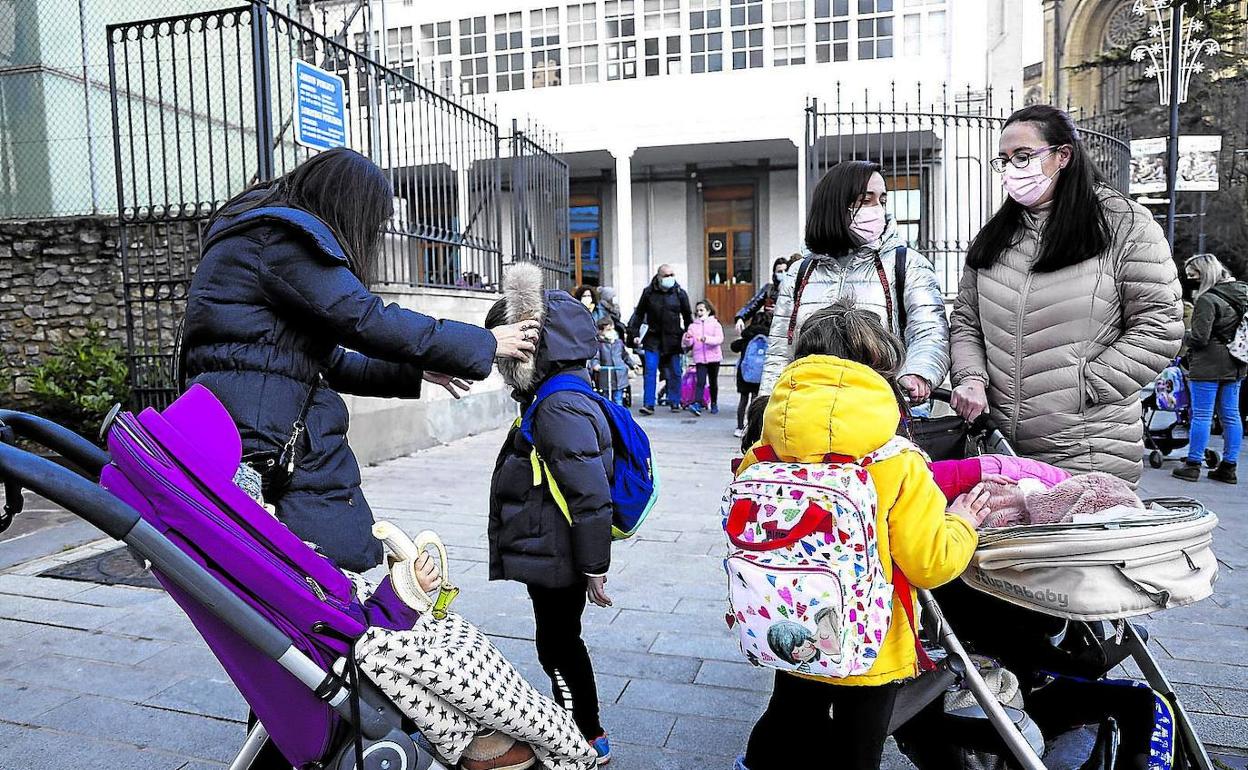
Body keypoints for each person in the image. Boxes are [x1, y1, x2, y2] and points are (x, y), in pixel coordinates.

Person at [182, 147, 538, 573]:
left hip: (266, 431)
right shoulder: (281, 242)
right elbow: (366, 318)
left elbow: (326, 364)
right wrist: (483, 342)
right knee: (335, 573)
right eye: (373, 221)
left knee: (326, 572)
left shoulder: (262, 244)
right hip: (269, 441)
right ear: (349, 206)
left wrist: (416, 370)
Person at [736, 299, 985, 770]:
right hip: (870, 640)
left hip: (787, 622)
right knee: (858, 742)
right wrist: (964, 523)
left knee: (789, 712)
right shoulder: (896, 460)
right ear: (879, 374)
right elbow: (929, 563)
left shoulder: (765, 451)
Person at [949, 105, 1183, 483]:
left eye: (1023, 156)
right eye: (1004, 160)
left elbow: (1160, 324)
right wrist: (971, 377)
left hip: (1089, 448)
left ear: (1063, 155)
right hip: (1002, 450)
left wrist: (1087, 386)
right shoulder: (996, 236)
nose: (1012, 169)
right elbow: (966, 321)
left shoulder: (1125, 224)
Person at [486, 263, 615, 765]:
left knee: (558, 649)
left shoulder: (557, 406)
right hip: (555, 549)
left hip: (561, 555)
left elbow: (589, 495)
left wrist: (593, 566)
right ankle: (581, 731)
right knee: (560, 643)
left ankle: (583, 738)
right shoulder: (558, 395)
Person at [760, 162, 950, 401]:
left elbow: (930, 333)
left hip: (881, 412)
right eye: (866, 199)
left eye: (882, 200)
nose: (877, 209)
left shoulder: (907, 264)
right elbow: (779, 351)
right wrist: (764, 411)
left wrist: (918, 374)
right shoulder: (799, 273)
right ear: (836, 204)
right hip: (809, 411)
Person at [1172, 253, 1246, 484]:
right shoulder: (1243, 292)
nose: (1190, 279)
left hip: (1208, 364)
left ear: (1204, 274)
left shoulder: (1207, 299)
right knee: (1231, 415)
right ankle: (1229, 467)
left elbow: (1200, 338)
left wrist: (1183, 335)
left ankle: (1193, 464)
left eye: (1192, 275)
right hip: (1237, 361)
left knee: (1202, 415)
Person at [732, 257, 793, 437]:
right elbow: (751, 305)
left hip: (785, 336)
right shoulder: (768, 289)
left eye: (784, 270)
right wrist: (740, 317)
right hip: (767, 334)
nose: (781, 274)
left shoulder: (793, 288)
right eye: (778, 270)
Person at [628, 264, 694, 416]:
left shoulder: (679, 293)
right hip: (653, 338)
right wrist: (635, 333)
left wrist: (689, 333)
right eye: (666, 275)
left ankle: (675, 401)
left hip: (674, 338)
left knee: (676, 371)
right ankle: (648, 404)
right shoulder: (648, 293)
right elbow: (638, 314)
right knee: (650, 370)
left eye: (672, 274)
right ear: (658, 277)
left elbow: (687, 316)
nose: (670, 278)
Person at [682, 299, 725, 416]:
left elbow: (719, 339)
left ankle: (714, 403)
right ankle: (697, 403)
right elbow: (688, 343)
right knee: (700, 381)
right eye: (697, 311)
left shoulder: (715, 324)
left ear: (708, 311)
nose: (699, 313)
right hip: (700, 358)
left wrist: (707, 339)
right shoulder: (693, 326)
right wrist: (687, 338)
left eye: (702, 310)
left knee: (713, 381)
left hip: (714, 358)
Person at [590, 318, 642, 405]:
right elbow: (595, 357)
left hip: (619, 375)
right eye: (608, 330)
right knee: (606, 398)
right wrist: (596, 365)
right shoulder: (599, 344)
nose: (611, 332)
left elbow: (625, 356)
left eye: (612, 329)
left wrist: (633, 365)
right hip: (606, 376)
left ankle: (618, 414)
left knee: (618, 399)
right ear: (601, 331)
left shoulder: (618, 343)